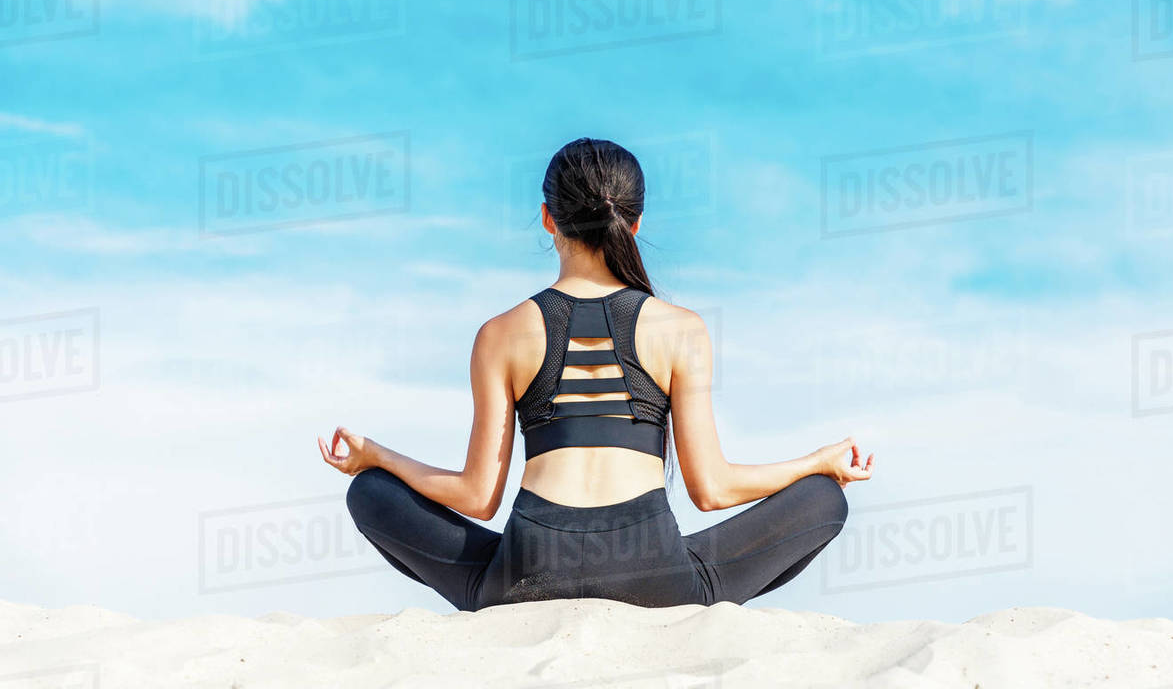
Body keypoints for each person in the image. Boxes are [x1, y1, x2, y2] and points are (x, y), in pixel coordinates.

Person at [318, 137, 875, 611]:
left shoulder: (500, 333)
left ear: (547, 218)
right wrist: (818, 464)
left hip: (527, 574)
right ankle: (694, 594)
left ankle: (489, 595)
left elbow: (477, 497)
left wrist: (377, 458)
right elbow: (712, 489)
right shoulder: (681, 328)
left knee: (370, 493)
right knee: (825, 501)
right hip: (655, 574)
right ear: (634, 223)